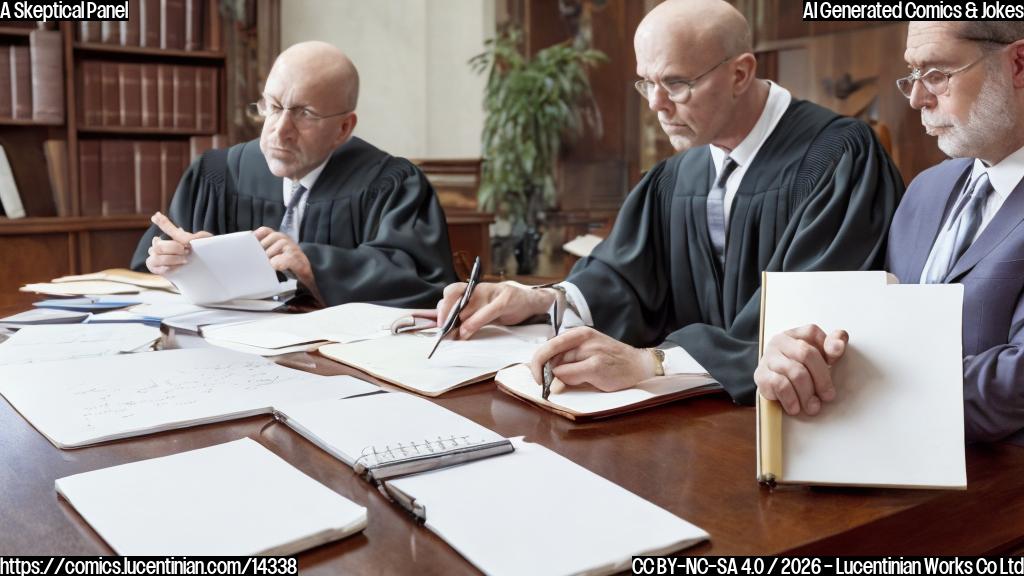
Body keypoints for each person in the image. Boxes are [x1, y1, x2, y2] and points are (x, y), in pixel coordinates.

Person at [436, 0, 904, 405]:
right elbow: (626, 277)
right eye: (647, 82)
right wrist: (539, 299)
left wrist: (653, 363)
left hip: (797, 424)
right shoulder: (679, 175)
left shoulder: (837, 158)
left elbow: (811, 322)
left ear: (741, 73)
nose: (656, 104)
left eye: (676, 83)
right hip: (688, 426)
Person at [756, 21, 1024, 444]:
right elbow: (879, 328)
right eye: (913, 75)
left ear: (1018, 64)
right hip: (889, 458)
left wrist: (858, 385)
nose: (917, 98)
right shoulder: (926, 189)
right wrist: (799, 362)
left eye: (936, 74)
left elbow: (1017, 381)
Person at [131, 41, 456, 308]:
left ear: (343, 128)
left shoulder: (392, 184)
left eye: (305, 114)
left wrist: (312, 266)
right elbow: (149, 269)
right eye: (273, 107)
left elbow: (424, 283)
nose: (280, 130)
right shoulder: (216, 174)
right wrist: (171, 263)